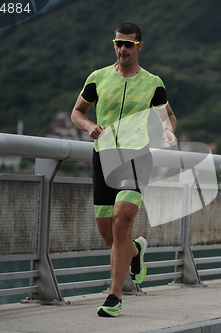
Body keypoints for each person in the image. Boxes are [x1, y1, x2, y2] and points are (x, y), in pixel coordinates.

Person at [71, 22, 177, 317]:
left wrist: (168, 132)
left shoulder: (153, 83)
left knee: (121, 222)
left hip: (136, 157)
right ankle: (134, 250)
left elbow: (167, 116)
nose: (122, 49)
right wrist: (90, 126)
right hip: (103, 158)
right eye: (118, 43)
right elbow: (77, 112)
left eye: (128, 44)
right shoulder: (98, 78)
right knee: (110, 236)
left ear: (139, 46)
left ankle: (114, 296)